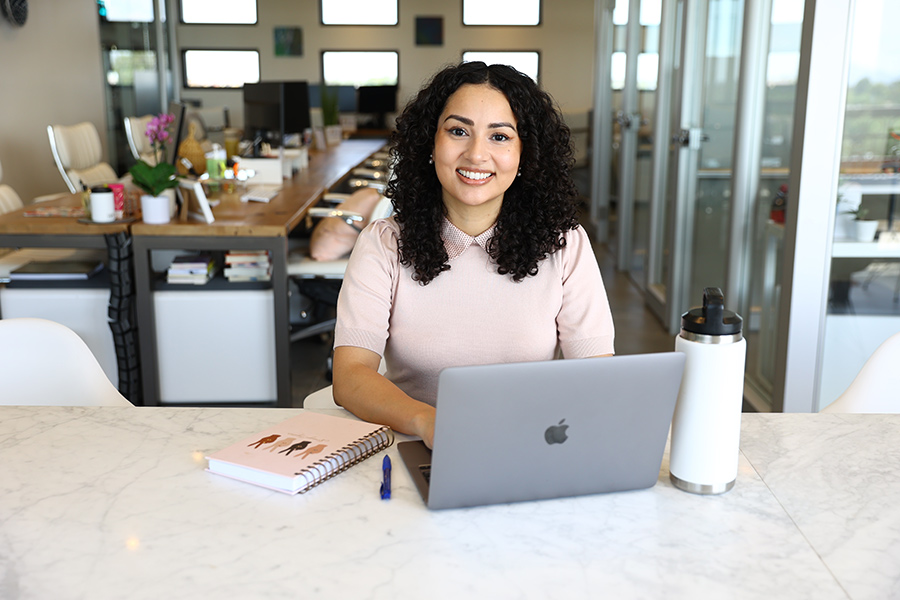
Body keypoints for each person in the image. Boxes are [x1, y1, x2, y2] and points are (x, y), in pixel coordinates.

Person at [332, 61, 615, 448]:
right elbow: (350, 376)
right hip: (416, 444)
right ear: (431, 143)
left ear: (525, 154)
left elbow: (597, 375)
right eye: (458, 131)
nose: (476, 154)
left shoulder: (565, 244)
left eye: (500, 137)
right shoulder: (383, 243)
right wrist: (429, 423)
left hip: (532, 444)